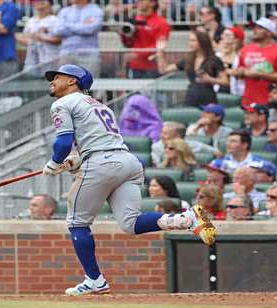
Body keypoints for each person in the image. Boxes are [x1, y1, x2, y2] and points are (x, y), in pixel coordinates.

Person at [41, 64, 216, 295]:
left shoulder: (62, 103)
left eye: (58, 77)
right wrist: (77, 159)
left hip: (102, 164)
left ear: (73, 81)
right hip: (127, 162)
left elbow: (63, 142)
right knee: (130, 223)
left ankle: (95, 279)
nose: (52, 81)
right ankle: (187, 219)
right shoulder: (99, 105)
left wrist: (55, 162)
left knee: (77, 223)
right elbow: (99, 142)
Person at [229, 17, 277, 106]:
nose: (254, 30)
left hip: (270, 100)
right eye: (254, 27)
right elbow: (241, 70)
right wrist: (239, 72)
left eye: (259, 28)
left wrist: (261, 74)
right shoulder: (246, 49)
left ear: (269, 32)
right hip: (248, 99)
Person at [157, 30, 228, 107]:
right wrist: (160, 52)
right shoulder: (188, 59)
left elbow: (225, 81)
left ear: (202, 41)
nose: (190, 43)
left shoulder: (214, 60)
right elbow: (164, 70)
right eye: (190, 40)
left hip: (208, 97)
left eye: (193, 40)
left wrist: (210, 79)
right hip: (191, 96)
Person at [119, 0, 170, 79]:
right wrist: (123, 34)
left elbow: (159, 46)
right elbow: (127, 44)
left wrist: (138, 54)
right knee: (132, 91)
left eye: (142, 0)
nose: (138, 2)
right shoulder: (134, 19)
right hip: (134, 66)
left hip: (152, 67)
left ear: (152, 3)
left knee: (150, 91)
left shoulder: (162, 23)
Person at [51, 0, 104, 77]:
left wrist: (66, 25)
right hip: (67, 53)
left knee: (89, 86)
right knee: (65, 86)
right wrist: (82, 25)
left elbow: (91, 29)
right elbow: (57, 30)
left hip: (89, 54)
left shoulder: (96, 10)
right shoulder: (64, 11)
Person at [16, 0, 61, 77]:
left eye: (42, 2)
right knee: (30, 81)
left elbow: (59, 40)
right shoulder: (31, 21)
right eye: (37, 2)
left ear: (49, 5)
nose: (40, 5)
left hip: (50, 59)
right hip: (31, 59)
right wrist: (32, 40)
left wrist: (41, 37)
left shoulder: (55, 20)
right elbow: (24, 39)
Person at [151, 121, 221, 167]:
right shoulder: (156, 146)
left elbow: (217, 152)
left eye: (165, 134)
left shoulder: (191, 145)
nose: (161, 136)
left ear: (177, 136)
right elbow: (157, 165)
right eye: (162, 133)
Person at [217, 27, 245, 95]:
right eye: (223, 34)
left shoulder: (242, 56)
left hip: (236, 91)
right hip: (218, 90)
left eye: (227, 35)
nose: (223, 37)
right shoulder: (217, 55)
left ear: (236, 39)